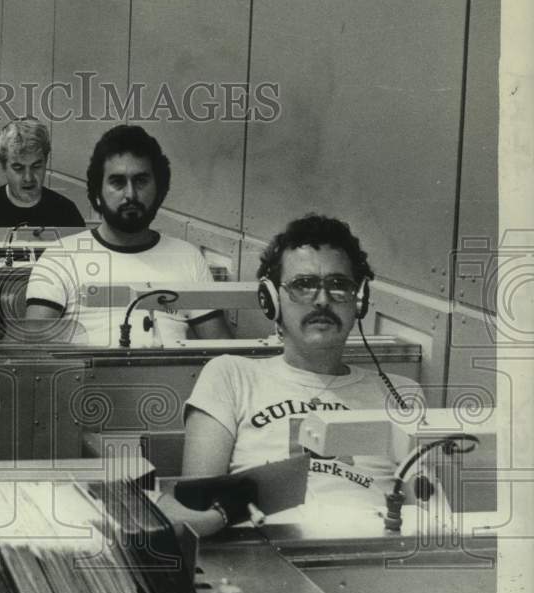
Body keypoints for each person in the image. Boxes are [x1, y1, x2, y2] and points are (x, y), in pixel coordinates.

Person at [162, 213, 424, 534]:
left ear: (360, 301)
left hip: (373, 550)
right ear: (271, 300)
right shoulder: (230, 376)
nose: (323, 300)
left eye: (339, 285)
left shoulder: (400, 393)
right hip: (264, 555)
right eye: (304, 285)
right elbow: (197, 510)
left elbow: (427, 515)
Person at [24, 125, 233, 346]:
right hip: (84, 378)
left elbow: (222, 351)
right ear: (97, 194)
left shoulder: (188, 258)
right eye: (118, 182)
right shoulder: (60, 256)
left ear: (160, 190)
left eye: (141, 181)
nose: (131, 194)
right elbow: (33, 350)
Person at [0, 118, 85, 253]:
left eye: (36, 166)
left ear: (46, 162)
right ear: (3, 166)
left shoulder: (67, 212)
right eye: (18, 168)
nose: (28, 177)